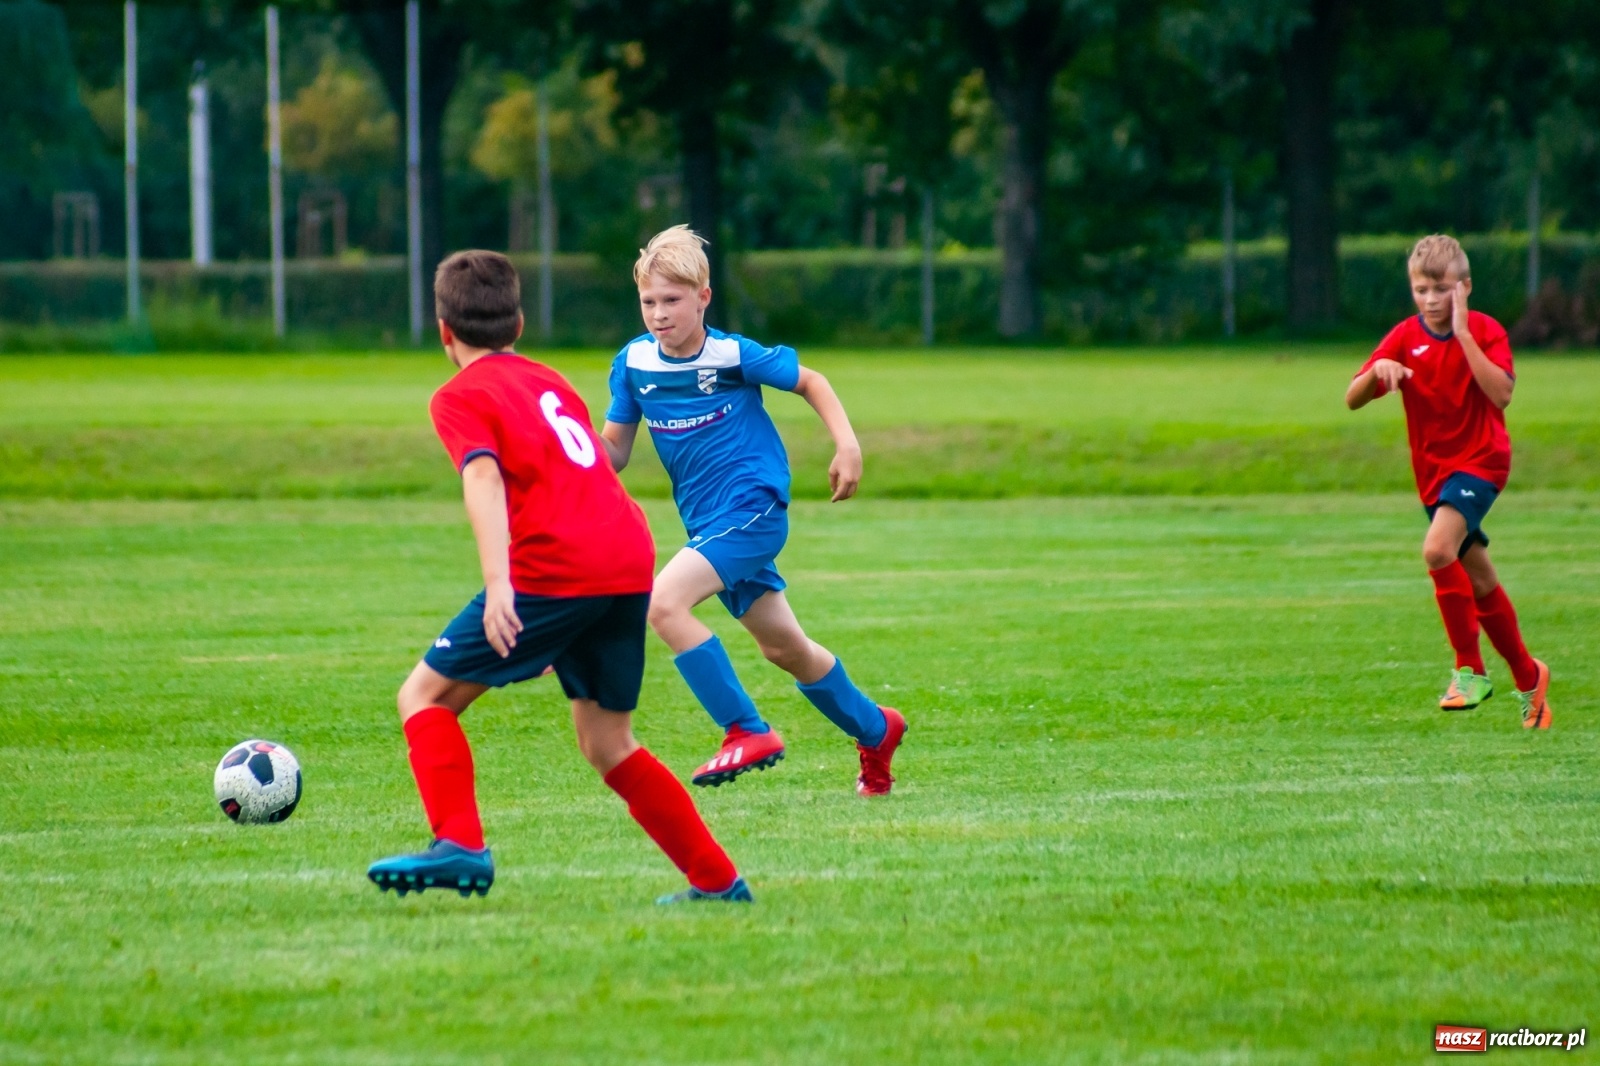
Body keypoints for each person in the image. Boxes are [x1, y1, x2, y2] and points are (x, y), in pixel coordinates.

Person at [367, 249, 752, 904]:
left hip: (558, 567)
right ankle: (717, 881)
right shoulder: (549, 381)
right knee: (608, 741)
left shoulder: (458, 396)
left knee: (424, 698)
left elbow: (483, 477)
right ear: (517, 326)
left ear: (443, 332)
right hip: (627, 558)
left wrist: (501, 586)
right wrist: (560, 629)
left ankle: (459, 844)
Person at [599, 225, 908, 794]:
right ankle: (876, 728)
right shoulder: (635, 364)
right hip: (708, 526)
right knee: (784, 649)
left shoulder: (732, 355)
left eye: (673, 300)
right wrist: (564, 459)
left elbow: (811, 380)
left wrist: (848, 444)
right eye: (649, 302)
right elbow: (614, 449)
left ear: (703, 298)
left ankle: (745, 728)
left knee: (663, 604)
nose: (659, 314)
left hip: (753, 510)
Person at [1345, 234, 1552, 728]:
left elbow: (1501, 396)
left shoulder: (1484, 330)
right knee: (1478, 578)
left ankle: (1470, 670)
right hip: (1434, 475)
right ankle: (1530, 678)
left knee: (1437, 550)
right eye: (1421, 290)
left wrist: (1462, 335)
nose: (1431, 300)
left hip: (1481, 462)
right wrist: (1378, 370)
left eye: (1441, 289)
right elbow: (1352, 399)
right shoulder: (1402, 337)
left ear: (1465, 287)